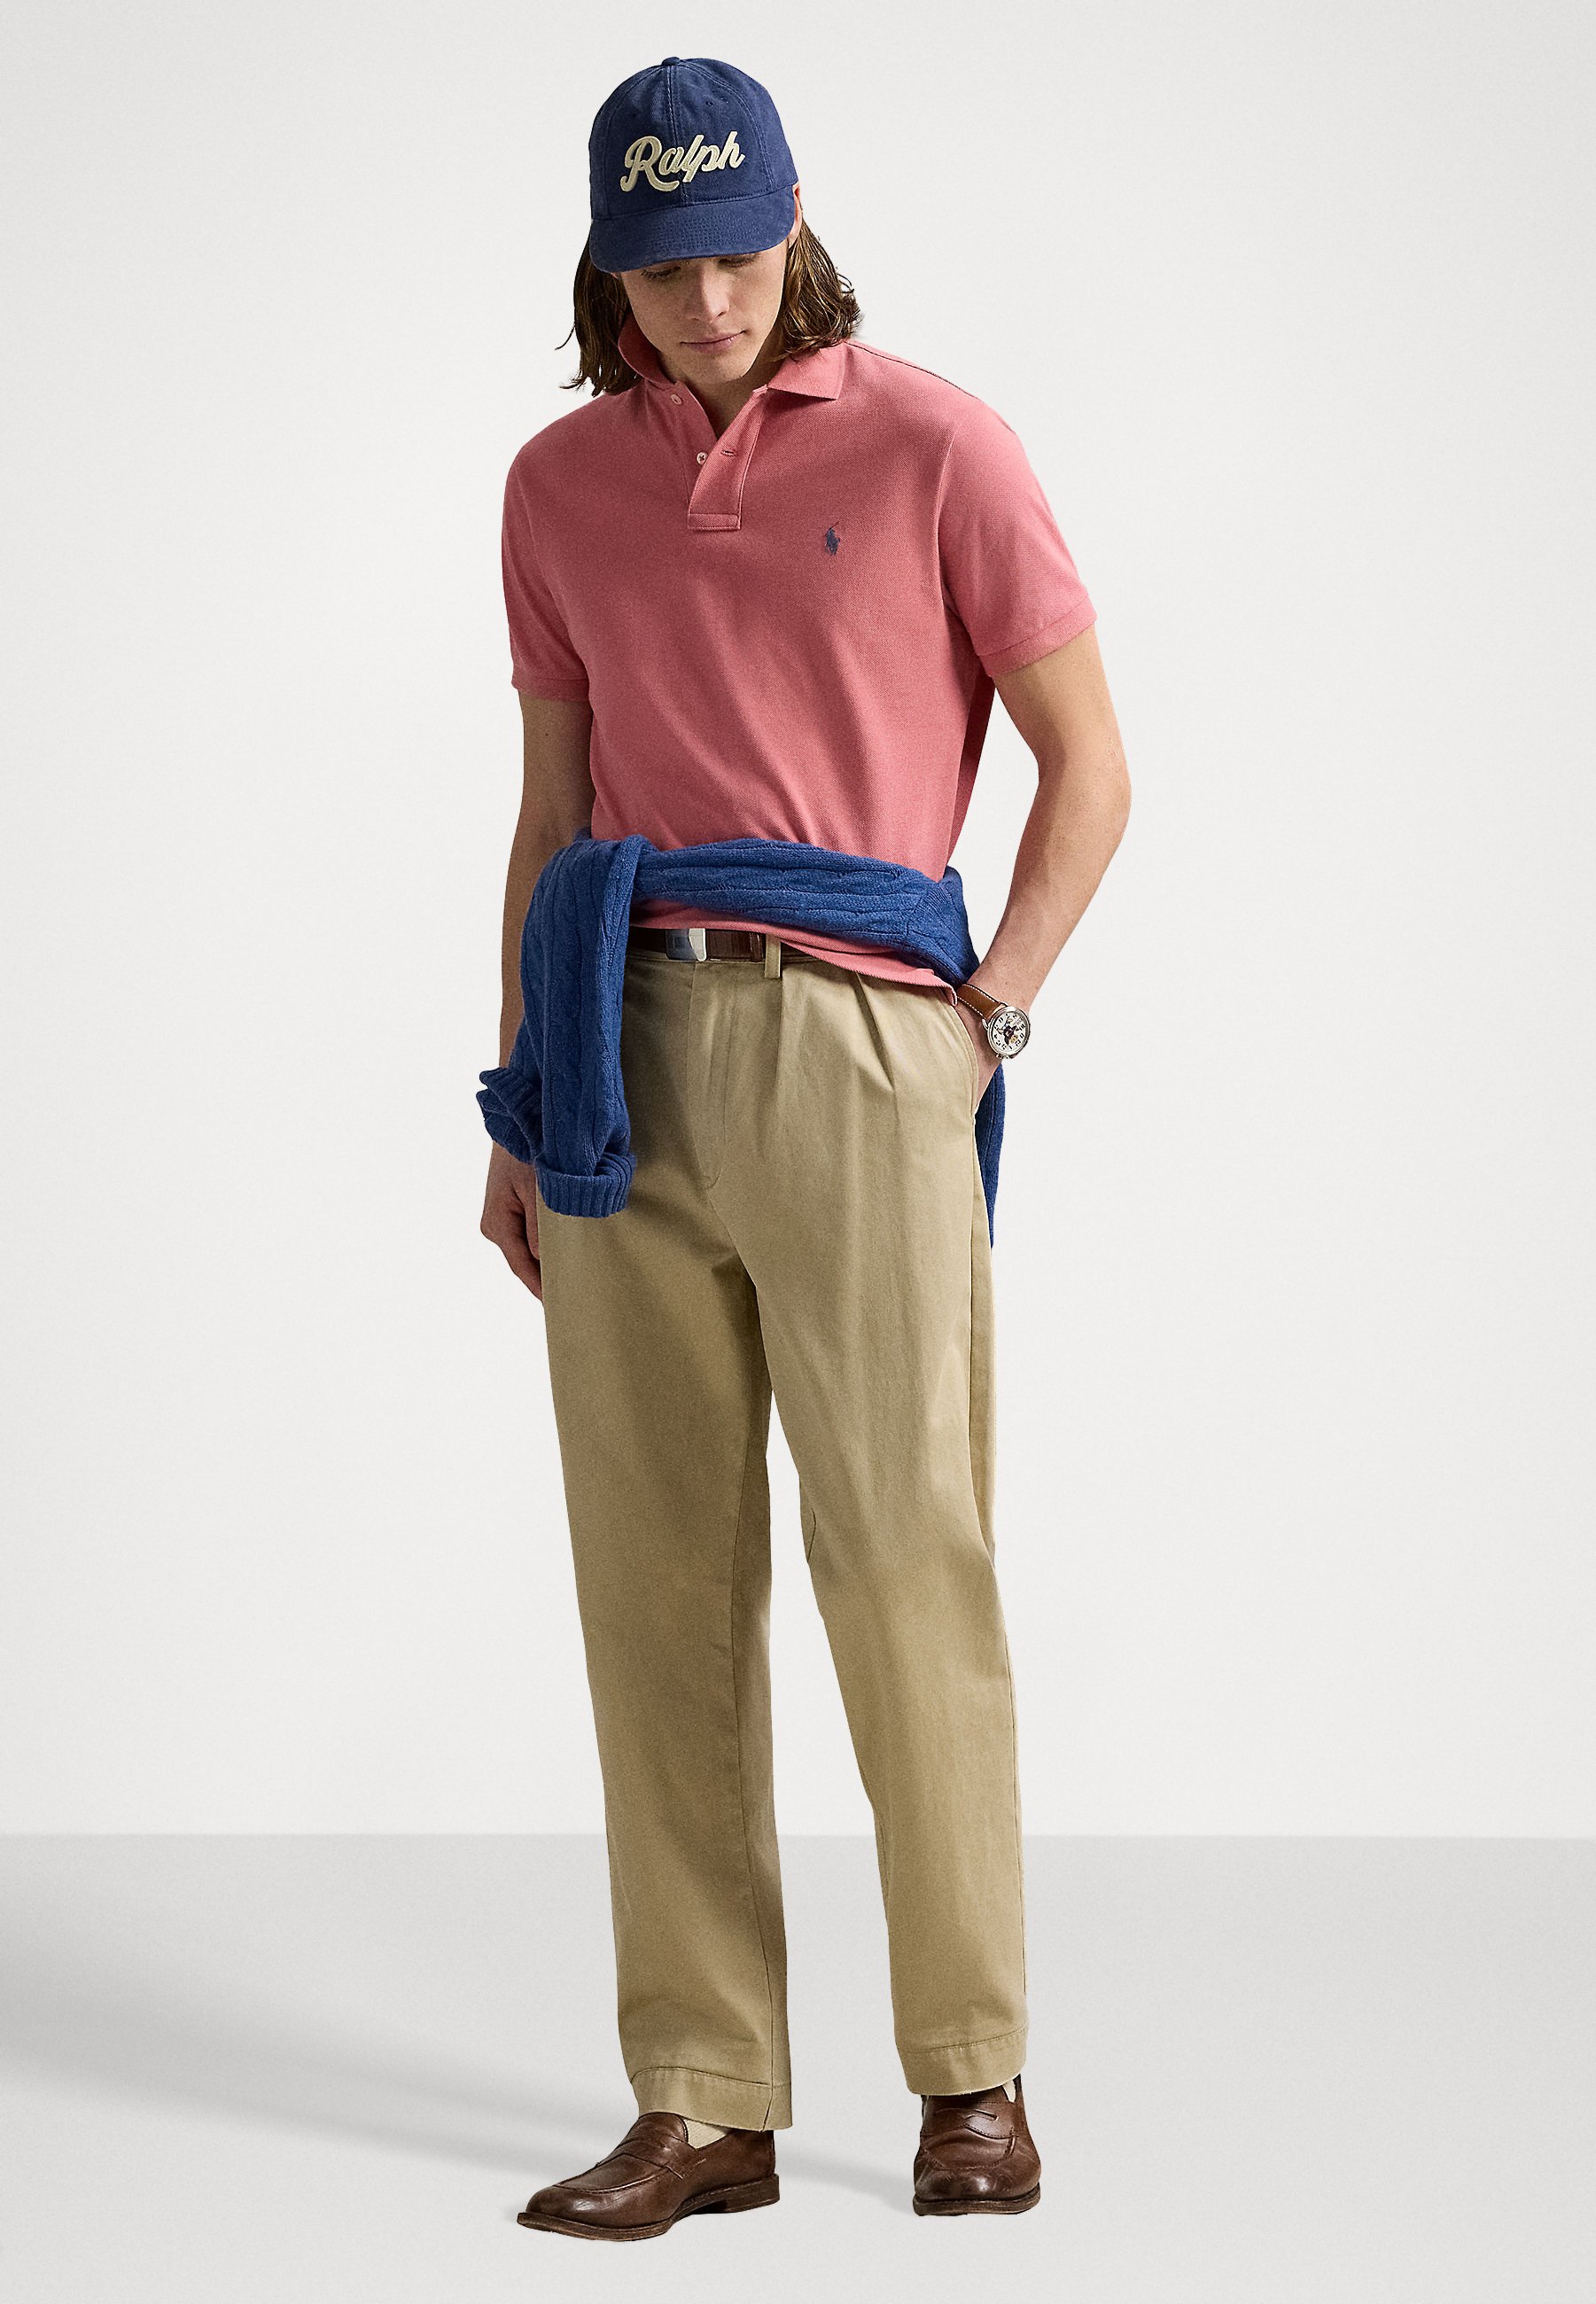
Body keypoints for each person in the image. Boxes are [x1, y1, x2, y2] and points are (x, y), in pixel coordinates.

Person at [479, 54, 1131, 2240]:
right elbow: (552, 806)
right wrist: (518, 1093)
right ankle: (704, 2099)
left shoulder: (940, 444)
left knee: (907, 1556)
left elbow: (1089, 766)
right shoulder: (556, 486)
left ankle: (972, 2077)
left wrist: (986, 1015)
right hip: (620, 1050)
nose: (707, 298)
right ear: (608, 267)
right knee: (655, 1587)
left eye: (737, 250)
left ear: (793, 222)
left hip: (866, 1040)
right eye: (661, 265)